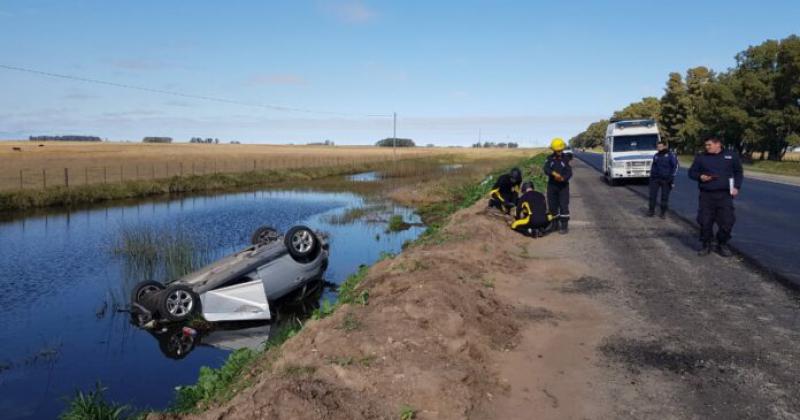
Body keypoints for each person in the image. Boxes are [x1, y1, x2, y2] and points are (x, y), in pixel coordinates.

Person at [688, 137, 743, 257]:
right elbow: (691, 173)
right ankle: (706, 245)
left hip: (724, 195)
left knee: (728, 222)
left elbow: (738, 172)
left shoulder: (731, 156)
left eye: (709, 145)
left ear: (718, 144)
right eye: (706, 145)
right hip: (707, 195)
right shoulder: (701, 157)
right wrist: (700, 176)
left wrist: (737, 187)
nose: (706, 147)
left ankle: (721, 243)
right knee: (705, 221)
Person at [543, 138, 573, 234]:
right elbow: (546, 168)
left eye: (560, 150)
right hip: (552, 186)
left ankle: (564, 226)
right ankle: (554, 225)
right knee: (552, 206)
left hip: (563, 187)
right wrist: (553, 173)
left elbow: (569, 172)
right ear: (553, 150)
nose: (559, 152)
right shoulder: (549, 158)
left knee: (564, 206)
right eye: (557, 151)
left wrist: (563, 178)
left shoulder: (566, 159)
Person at [648, 140, 679, 218]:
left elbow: (675, 167)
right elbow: (653, 167)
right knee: (652, 196)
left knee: (664, 197)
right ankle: (651, 211)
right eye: (658, 147)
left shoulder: (671, 155)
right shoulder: (656, 155)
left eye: (660, 146)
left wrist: (671, 178)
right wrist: (651, 177)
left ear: (665, 146)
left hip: (666, 179)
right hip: (655, 179)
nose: (659, 148)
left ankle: (663, 212)